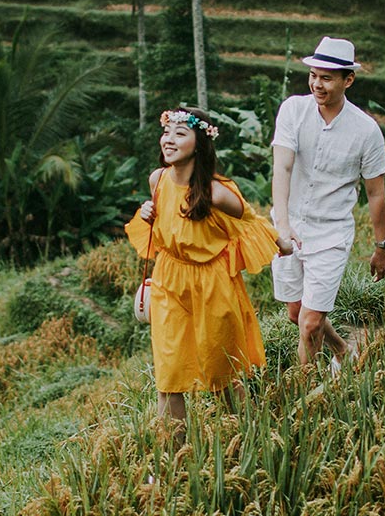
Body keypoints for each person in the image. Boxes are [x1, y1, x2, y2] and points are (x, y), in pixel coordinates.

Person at [125, 107, 292, 432]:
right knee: (169, 376)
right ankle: (172, 462)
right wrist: (149, 212)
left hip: (213, 288)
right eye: (167, 132)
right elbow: (167, 223)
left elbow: (250, 222)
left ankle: (257, 438)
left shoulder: (218, 194)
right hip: (169, 282)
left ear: (199, 143)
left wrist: (281, 242)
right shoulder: (157, 180)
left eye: (180, 134)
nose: (169, 140)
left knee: (223, 378)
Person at [270, 36, 385, 370]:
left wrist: (381, 247)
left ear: (347, 80)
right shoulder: (293, 109)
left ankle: (305, 397)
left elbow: (376, 193)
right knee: (297, 314)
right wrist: (282, 224)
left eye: (326, 78)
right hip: (288, 223)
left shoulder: (366, 131)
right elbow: (282, 166)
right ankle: (341, 349)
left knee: (310, 323)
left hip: (331, 233)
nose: (316, 84)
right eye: (313, 75)